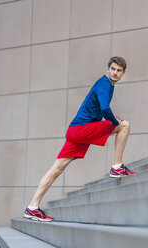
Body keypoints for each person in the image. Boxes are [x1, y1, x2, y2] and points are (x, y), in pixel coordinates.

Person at [23, 56, 136, 222]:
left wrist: (110, 121)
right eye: (113, 69)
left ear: (123, 73)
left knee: (56, 169)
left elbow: (99, 110)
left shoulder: (106, 85)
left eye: (119, 70)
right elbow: (105, 108)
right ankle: (117, 167)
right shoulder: (105, 83)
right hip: (82, 130)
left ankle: (32, 207)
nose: (115, 73)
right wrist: (113, 121)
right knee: (124, 125)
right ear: (108, 69)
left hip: (75, 131)